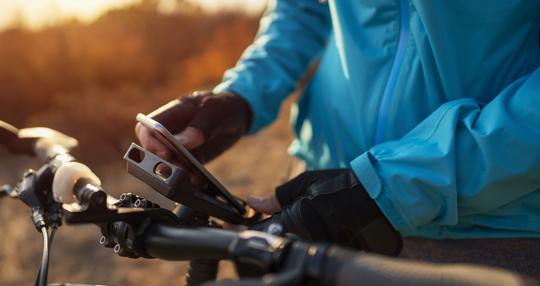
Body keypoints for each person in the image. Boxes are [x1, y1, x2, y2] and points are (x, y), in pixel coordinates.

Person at [135, 1, 540, 255]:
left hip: (491, 224)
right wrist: (242, 95)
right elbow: (304, 8)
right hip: (319, 194)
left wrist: (394, 185)